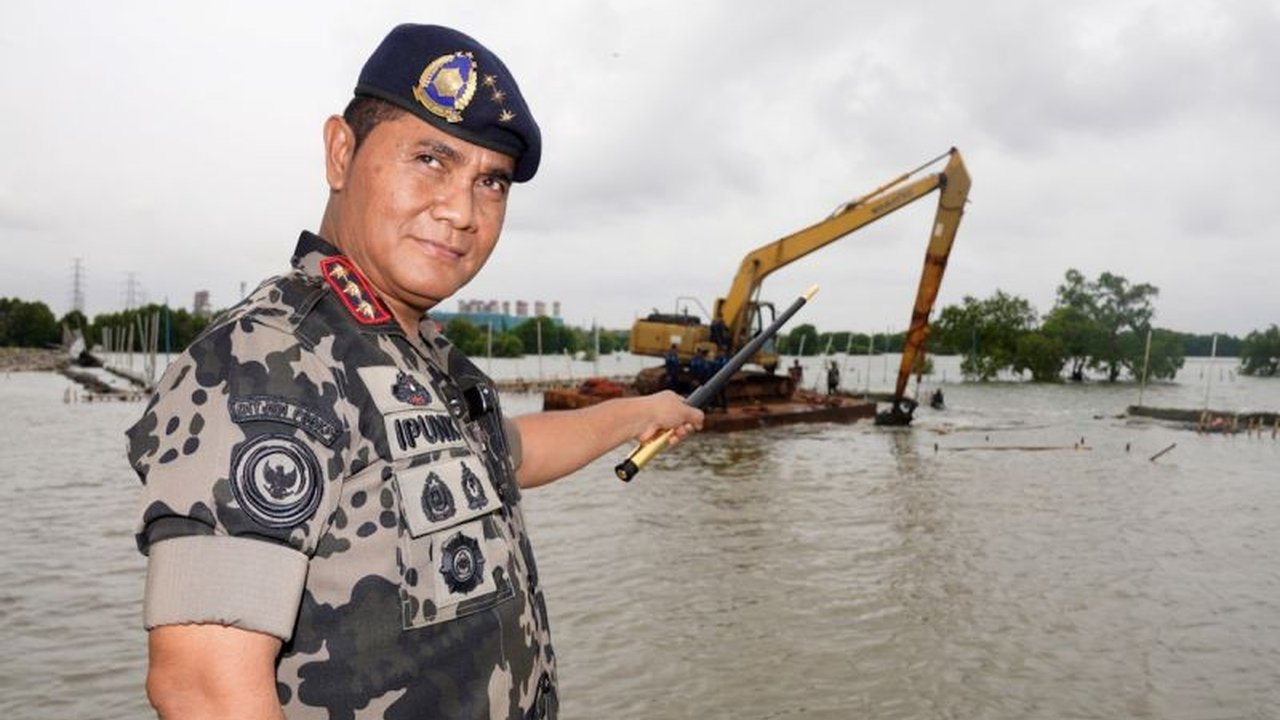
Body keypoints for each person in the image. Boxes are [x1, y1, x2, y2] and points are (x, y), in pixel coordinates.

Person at [126, 25, 702, 720]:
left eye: (490, 182)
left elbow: (513, 454)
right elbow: (204, 688)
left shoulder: (415, 352)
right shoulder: (270, 362)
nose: (462, 211)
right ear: (342, 153)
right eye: (431, 158)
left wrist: (644, 413)